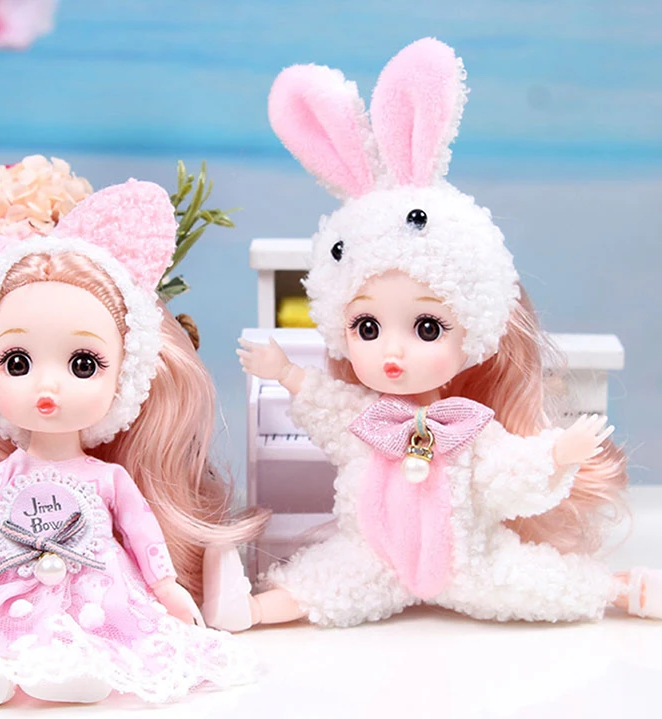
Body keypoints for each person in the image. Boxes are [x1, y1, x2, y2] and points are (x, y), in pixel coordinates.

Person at [202, 38, 662, 630]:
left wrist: (557, 455)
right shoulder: (364, 420)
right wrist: (285, 371)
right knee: (324, 582)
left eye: (426, 327)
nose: (392, 351)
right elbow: (323, 402)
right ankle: (249, 610)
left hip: (470, 564)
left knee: (535, 581)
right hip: (374, 560)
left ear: (476, 330)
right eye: (367, 327)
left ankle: (621, 588)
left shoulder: (470, 429)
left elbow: (506, 477)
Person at [0, 178, 266, 705]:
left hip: (95, 588)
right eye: (17, 363)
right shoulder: (5, 476)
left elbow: (142, 532)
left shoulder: (109, 478)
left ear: (125, 374)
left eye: (83, 364)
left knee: (103, 628)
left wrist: (165, 586)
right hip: (9, 583)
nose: (47, 387)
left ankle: (77, 671)